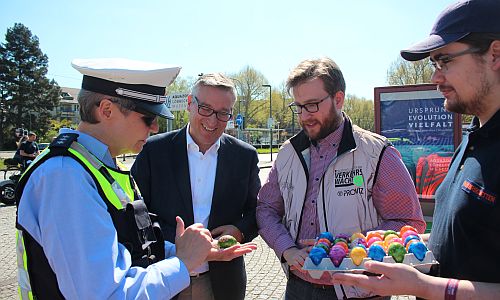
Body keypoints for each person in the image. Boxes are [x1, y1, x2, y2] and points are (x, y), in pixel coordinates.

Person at [15, 58, 256, 299]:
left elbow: (133, 244)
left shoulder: (96, 166)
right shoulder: (65, 176)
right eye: (148, 118)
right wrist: (182, 263)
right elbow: (107, 293)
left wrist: (190, 251)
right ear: (107, 110)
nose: (154, 128)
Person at [332, 0, 500, 298]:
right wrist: (403, 242)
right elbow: (466, 238)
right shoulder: (475, 138)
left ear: (495, 55)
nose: (436, 77)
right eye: (434, 64)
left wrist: (426, 287)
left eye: (445, 61)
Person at [256, 57, 426, 299]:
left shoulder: (376, 153)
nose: (304, 116)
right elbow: (265, 209)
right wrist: (287, 249)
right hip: (298, 287)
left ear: (338, 99)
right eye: (298, 106)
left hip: (359, 290)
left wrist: (344, 248)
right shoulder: (287, 154)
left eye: (312, 105)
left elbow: (408, 222)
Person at [132, 73, 261, 300]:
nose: (213, 121)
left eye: (223, 113)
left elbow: (256, 211)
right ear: (190, 104)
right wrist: (173, 245)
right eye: (206, 109)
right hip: (164, 276)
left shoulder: (245, 156)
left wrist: (239, 230)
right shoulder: (154, 151)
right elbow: (135, 214)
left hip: (222, 283)